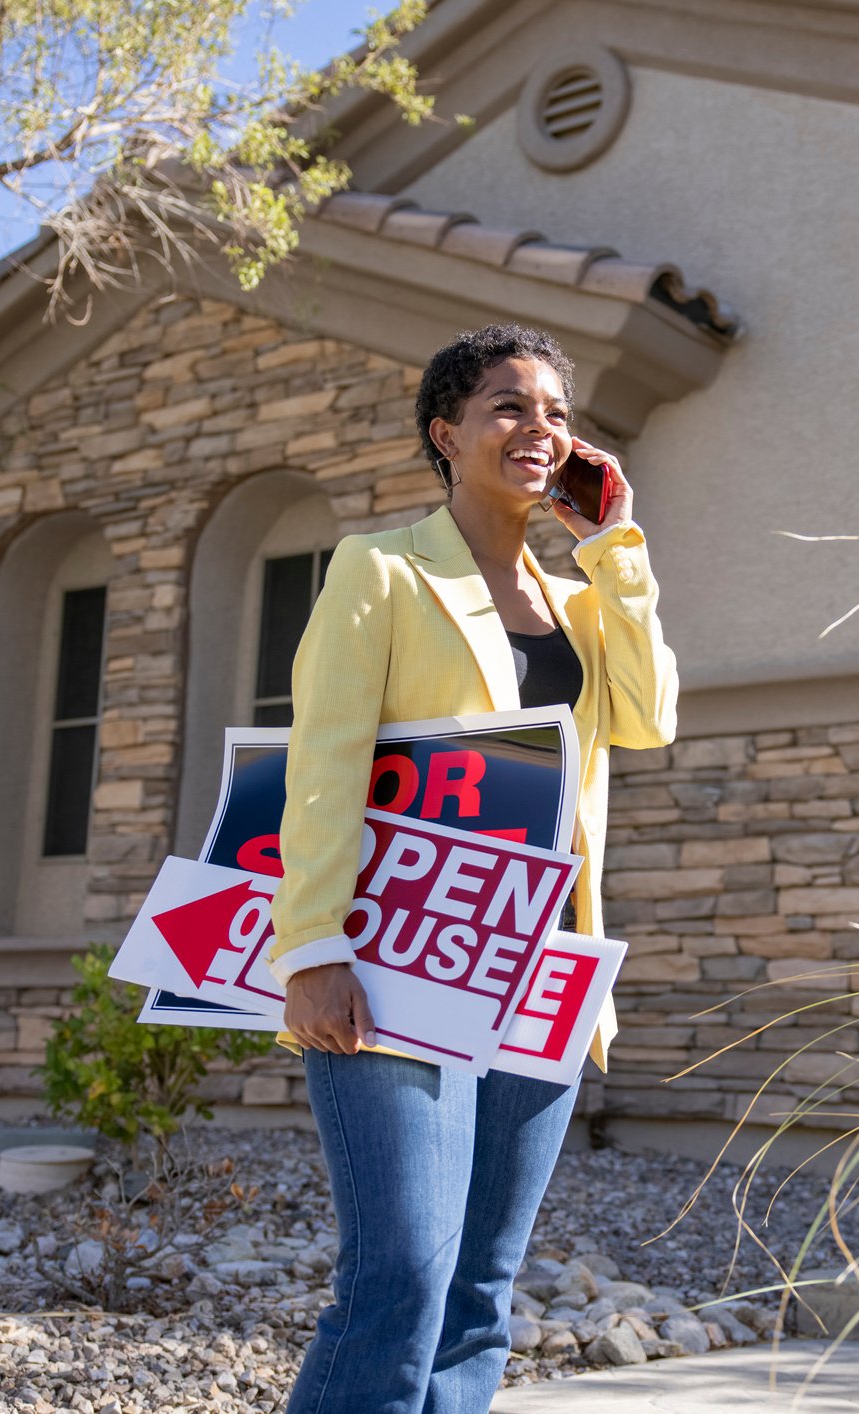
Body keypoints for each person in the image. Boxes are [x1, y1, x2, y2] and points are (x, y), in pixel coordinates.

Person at [266, 323, 678, 1414]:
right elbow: (323, 763)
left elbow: (646, 718)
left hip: (542, 963)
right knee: (398, 1272)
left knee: (480, 1288)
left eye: (552, 411)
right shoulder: (381, 568)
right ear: (446, 433)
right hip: (398, 953)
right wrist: (311, 948)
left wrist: (617, 546)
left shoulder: (579, 601)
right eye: (507, 405)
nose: (537, 427)